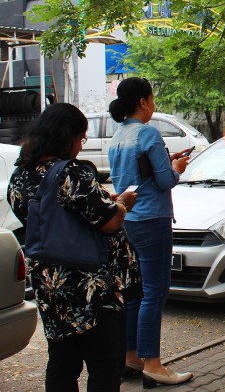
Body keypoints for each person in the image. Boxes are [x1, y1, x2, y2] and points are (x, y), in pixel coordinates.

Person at [7, 103, 141, 392]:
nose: (81, 146)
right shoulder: (72, 173)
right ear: (66, 136)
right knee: (105, 366)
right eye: (81, 139)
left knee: (62, 361)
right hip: (90, 285)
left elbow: (54, 214)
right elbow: (109, 221)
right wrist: (122, 204)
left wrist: (101, 200)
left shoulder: (20, 175)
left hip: (49, 283)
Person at [107, 77, 194, 387]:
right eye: (152, 98)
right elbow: (165, 181)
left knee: (134, 292)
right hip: (153, 219)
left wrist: (164, 165)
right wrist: (177, 168)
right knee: (154, 293)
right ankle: (153, 363)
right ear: (143, 102)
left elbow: (136, 175)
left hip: (128, 219)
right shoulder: (148, 133)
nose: (154, 104)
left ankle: (131, 356)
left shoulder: (117, 136)